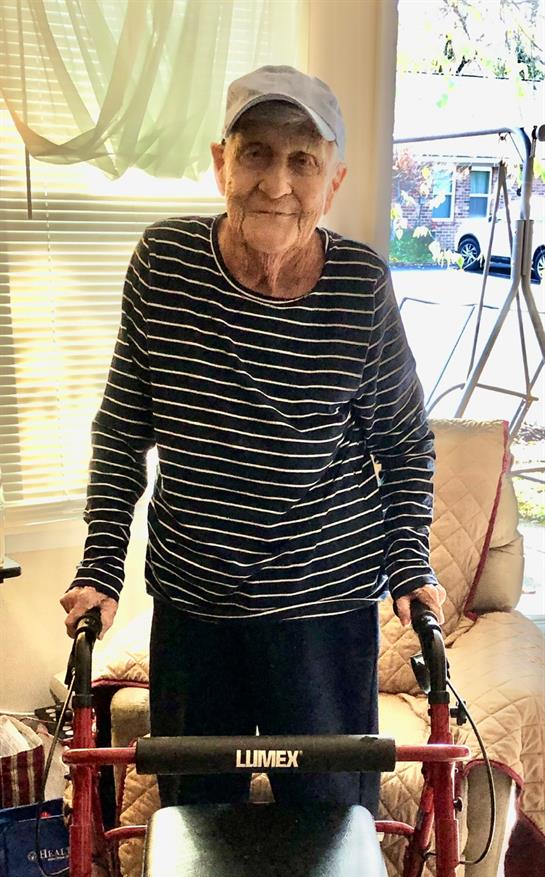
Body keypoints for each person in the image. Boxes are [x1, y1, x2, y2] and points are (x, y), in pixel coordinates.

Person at [60, 65, 445, 813]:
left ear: (331, 181)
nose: (277, 183)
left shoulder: (358, 285)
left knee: (331, 821)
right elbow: (121, 429)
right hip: (196, 604)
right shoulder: (164, 266)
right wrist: (100, 565)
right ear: (220, 165)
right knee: (196, 821)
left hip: (323, 606)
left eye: (303, 160)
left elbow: (402, 445)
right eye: (257, 153)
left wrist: (409, 562)